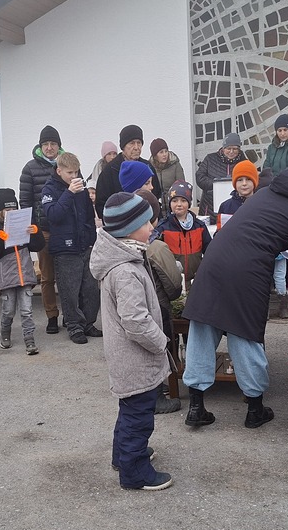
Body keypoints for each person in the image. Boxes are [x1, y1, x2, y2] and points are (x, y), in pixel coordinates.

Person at [183, 165, 288, 429]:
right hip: (248, 271)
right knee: (244, 334)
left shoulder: (263, 193)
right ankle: (254, 408)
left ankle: (195, 406)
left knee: (202, 328)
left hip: (213, 261)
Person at [89, 192, 174, 491]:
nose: (152, 226)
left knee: (129, 410)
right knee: (139, 416)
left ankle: (123, 456)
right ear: (128, 229)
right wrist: (160, 341)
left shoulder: (126, 258)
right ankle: (135, 471)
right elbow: (135, 321)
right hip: (135, 358)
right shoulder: (125, 270)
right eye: (146, 222)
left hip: (129, 358)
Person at [41, 152, 101, 344]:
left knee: (91, 289)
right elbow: (53, 215)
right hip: (64, 248)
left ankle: (88, 323)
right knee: (70, 290)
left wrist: (91, 240)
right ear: (59, 171)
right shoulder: (49, 189)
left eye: (76, 172)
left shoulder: (81, 187)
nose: (74, 176)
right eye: (70, 173)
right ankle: (74, 326)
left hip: (85, 245)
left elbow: (89, 216)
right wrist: (69, 193)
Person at [135, 189, 183, 415]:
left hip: (136, 307)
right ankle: (156, 396)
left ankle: (148, 390)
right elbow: (173, 286)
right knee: (157, 349)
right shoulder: (156, 247)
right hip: (157, 307)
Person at [0, 188, 45, 355]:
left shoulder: (22, 224)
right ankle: (5, 333)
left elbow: (37, 246)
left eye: (13, 209)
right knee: (8, 310)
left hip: (25, 275)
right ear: (0, 211)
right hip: (6, 278)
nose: (11, 212)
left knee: (27, 310)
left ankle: (29, 339)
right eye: (7, 209)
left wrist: (35, 232)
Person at [19, 125, 64, 335]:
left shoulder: (67, 164)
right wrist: (33, 228)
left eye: (53, 143)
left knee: (68, 276)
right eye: (45, 144)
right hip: (43, 230)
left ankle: (70, 315)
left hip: (64, 229)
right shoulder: (29, 168)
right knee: (47, 277)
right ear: (40, 146)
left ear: (59, 145)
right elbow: (25, 201)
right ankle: (51, 316)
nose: (49, 148)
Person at [153, 180, 210, 289]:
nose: (179, 204)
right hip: (174, 282)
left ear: (189, 203)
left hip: (196, 281)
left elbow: (209, 251)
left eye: (183, 200)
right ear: (170, 203)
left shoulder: (199, 226)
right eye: (175, 200)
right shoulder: (163, 228)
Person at [95, 125, 157, 218]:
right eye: (132, 143)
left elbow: (155, 195)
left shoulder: (148, 167)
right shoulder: (110, 170)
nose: (136, 147)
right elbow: (101, 204)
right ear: (123, 147)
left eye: (139, 143)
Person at [196, 132, 244, 216]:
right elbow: (200, 177)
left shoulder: (244, 162)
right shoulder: (210, 159)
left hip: (235, 207)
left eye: (235, 149)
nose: (231, 152)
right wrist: (217, 185)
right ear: (223, 148)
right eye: (228, 148)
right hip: (209, 206)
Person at [149, 138, 185, 212]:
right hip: (157, 208)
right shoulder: (150, 167)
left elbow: (181, 186)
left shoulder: (175, 165)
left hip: (174, 207)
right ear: (155, 155)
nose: (164, 154)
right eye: (161, 152)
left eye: (166, 151)